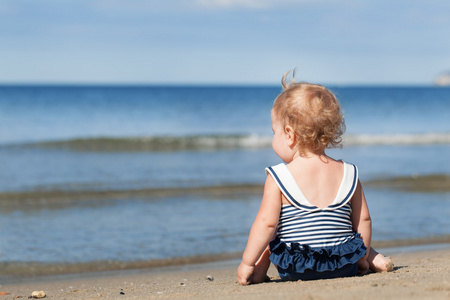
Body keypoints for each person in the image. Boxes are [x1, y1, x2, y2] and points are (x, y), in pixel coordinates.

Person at [237, 71, 393, 285]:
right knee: (348, 231)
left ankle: (256, 272)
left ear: (290, 135)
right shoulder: (349, 173)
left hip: (296, 268)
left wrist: (246, 261)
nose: (273, 137)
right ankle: (373, 258)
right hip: (343, 265)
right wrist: (361, 259)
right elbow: (363, 220)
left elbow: (265, 224)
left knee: (271, 235)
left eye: (274, 132)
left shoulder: (279, 176)